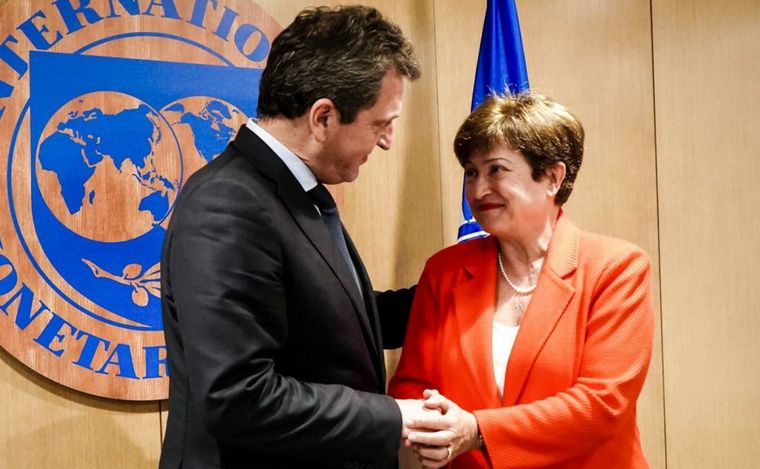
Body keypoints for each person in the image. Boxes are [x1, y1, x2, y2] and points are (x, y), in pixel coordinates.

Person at [160, 6, 427, 469]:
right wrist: (396, 417)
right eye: (380, 123)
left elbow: (333, 323)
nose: (386, 140)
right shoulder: (228, 203)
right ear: (323, 117)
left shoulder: (290, 190)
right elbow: (238, 395)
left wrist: (455, 292)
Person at [389, 93, 655, 469]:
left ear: (552, 177)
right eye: (471, 172)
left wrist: (476, 431)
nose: (478, 190)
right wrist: (435, 427)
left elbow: (603, 404)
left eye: (496, 170)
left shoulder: (615, 268)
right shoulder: (444, 271)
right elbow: (411, 383)